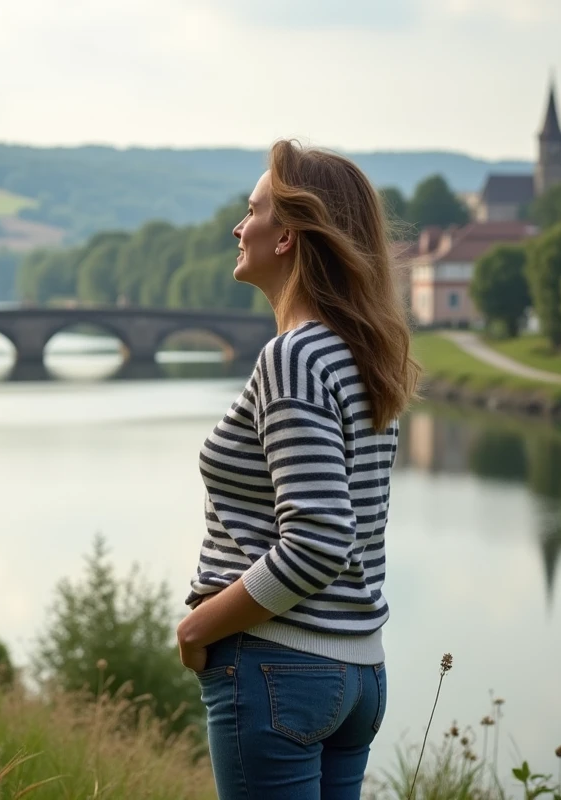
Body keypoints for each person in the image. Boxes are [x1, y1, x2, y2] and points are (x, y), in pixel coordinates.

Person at [176, 139, 420, 799]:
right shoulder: (361, 353)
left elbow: (318, 538)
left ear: (286, 237)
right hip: (358, 673)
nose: (238, 226)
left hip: (280, 666)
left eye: (252, 210)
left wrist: (198, 626)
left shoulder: (295, 357)